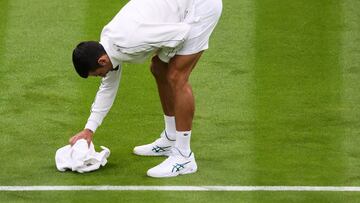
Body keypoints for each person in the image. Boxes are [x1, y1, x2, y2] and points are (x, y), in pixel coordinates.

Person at [70, 0, 222, 178]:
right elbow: (107, 89)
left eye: (98, 74)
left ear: (102, 61)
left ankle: (183, 156)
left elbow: (182, 33)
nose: (102, 77)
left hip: (200, 6)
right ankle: (170, 138)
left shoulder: (129, 43)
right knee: (158, 68)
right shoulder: (108, 46)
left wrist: (166, 53)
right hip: (180, 8)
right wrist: (89, 130)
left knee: (176, 76)